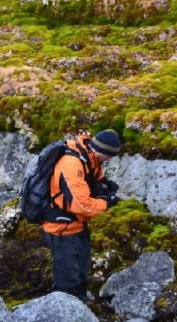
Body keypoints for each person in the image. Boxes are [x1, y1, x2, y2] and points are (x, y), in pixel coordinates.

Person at [42, 129, 121, 301]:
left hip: (78, 225)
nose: (110, 160)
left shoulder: (91, 159)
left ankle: (81, 304)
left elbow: (94, 182)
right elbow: (81, 205)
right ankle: (63, 311)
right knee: (67, 282)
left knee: (81, 276)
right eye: (110, 156)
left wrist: (104, 187)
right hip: (61, 229)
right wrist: (106, 203)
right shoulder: (72, 164)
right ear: (103, 151)